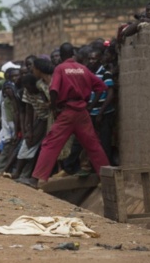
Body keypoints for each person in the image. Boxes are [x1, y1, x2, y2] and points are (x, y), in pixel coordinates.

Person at [30, 43, 110, 187]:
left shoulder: (60, 68)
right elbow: (101, 87)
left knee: (51, 143)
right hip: (82, 112)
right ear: (73, 53)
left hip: (67, 111)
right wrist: (90, 105)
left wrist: (54, 107)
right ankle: (106, 177)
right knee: (93, 145)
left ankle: (38, 178)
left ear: (61, 56)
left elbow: (54, 90)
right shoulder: (83, 68)